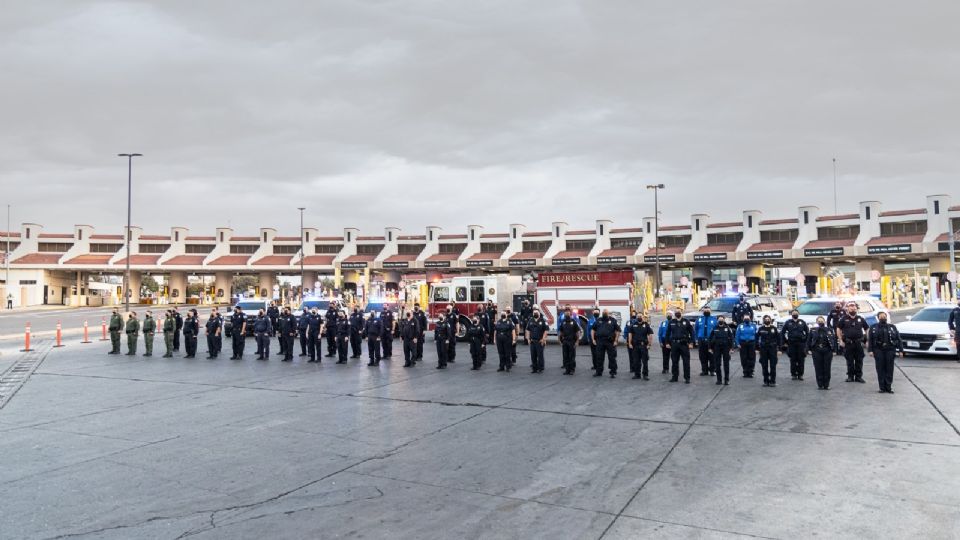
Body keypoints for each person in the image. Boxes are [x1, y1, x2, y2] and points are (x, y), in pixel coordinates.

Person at [868, 312, 904, 393]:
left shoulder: (892, 327)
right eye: (881, 317)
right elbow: (870, 339)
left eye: (884, 316)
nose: (883, 318)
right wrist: (870, 350)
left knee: (889, 369)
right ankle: (882, 387)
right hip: (878, 350)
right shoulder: (873, 327)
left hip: (890, 350)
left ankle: (888, 387)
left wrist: (901, 350)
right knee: (880, 369)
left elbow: (898, 339)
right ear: (878, 318)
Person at [836, 303, 869, 383]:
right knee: (849, 361)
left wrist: (867, 340)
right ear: (848, 310)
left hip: (858, 343)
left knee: (859, 360)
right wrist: (840, 340)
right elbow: (838, 329)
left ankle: (858, 377)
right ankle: (850, 376)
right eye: (851, 309)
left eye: (854, 309)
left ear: (856, 309)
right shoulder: (844, 319)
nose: (853, 310)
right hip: (848, 343)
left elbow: (867, 328)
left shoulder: (860, 319)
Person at [807, 316, 837, 390]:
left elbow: (834, 340)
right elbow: (808, 340)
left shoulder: (829, 330)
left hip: (827, 350)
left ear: (825, 322)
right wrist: (808, 349)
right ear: (817, 322)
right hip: (816, 350)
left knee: (827, 368)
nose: (821, 322)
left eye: (822, 321)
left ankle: (826, 385)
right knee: (818, 368)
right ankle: (820, 385)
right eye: (819, 321)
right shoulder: (813, 330)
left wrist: (835, 350)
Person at [665, 310, 694, 383]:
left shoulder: (686, 321)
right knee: (674, 361)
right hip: (674, 344)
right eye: (676, 312)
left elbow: (692, 332)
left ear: (681, 313)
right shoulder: (671, 322)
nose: (677, 313)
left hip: (684, 344)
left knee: (686, 362)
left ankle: (687, 378)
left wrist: (691, 343)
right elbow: (667, 333)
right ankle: (674, 377)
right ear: (675, 314)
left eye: (679, 312)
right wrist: (667, 343)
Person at [780, 309, 809, 381]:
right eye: (793, 313)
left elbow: (807, 332)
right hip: (791, 343)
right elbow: (782, 333)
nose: (795, 314)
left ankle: (800, 374)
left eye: (796, 313)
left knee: (801, 359)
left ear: (798, 314)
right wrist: (785, 342)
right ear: (791, 314)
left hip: (801, 343)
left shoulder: (802, 322)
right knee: (793, 359)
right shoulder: (788, 322)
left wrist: (805, 341)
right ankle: (793, 374)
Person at [591, 309, 620, 378]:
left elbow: (618, 330)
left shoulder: (613, 320)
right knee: (599, 357)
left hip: (610, 342)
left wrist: (616, 340)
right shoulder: (598, 320)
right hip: (600, 341)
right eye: (603, 312)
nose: (604, 313)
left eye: (606, 312)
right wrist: (593, 339)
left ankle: (613, 372)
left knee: (612, 357)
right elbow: (593, 329)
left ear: (608, 313)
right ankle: (599, 372)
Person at [708, 315, 735, 385]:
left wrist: (732, 348)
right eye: (719, 319)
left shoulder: (728, 328)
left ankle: (726, 380)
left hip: (726, 348)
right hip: (717, 348)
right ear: (717, 320)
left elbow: (732, 338)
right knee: (717, 364)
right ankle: (719, 380)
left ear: (724, 320)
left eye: (722, 319)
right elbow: (710, 338)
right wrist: (710, 348)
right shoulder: (714, 328)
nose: (720, 321)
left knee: (726, 364)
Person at [627, 313, 653, 380]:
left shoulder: (646, 325)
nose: (639, 317)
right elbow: (630, 334)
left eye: (640, 316)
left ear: (643, 317)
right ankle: (637, 374)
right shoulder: (633, 325)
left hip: (643, 345)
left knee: (645, 361)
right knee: (636, 361)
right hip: (635, 346)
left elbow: (650, 335)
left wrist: (649, 344)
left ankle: (645, 375)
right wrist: (629, 343)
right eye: (638, 316)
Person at [757, 315, 780, 387]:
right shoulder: (761, 328)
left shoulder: (774, 328)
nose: (767, 320)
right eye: (765, 319)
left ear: (770, 320)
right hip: (763, 349)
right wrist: (756, 348)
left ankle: (773, 381)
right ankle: (766, 381)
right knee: (764, 365)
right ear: (763, 320)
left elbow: (779, 339)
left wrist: (779, 349)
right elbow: (756, 338)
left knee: (773, 365)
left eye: (768, 319)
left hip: (772, 349)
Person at [558, 306, 581, 375]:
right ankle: (567, 370)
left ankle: (572, 370)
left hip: (572, 341)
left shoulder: (574, 322)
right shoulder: (563, 322)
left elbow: (577, 332)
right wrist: (559, 340)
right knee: (566, 356)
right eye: (566, 312)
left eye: (568, 312)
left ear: (570, 314)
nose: (567, 313)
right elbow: (561, 332)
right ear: (564, 314)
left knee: (572, 356)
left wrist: (577, 341)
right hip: (565, 341)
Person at [695, 307, 718, 376]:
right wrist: (696, 339)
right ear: (703, 311)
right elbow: (696, 330)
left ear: (710, 311)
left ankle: (712, 370)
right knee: (702, 356)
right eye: (705, 310)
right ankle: (704, 370)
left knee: (712, 356)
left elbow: (716, 330)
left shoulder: (714, 319)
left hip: (710, 340)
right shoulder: (699, 319)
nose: (706, 311)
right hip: (701, 340)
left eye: (708, 310)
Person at [525, 308, 549, 373]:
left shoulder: (543, 320)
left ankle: (540, 368)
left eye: (536, 312)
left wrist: (543, 339)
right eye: (534, 313)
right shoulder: (530, 320)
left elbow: (546, 330)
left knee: (540, 355)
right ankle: (534, 368)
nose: (535, 313)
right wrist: (528, 339)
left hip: (540, 341)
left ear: (539, 313)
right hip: (532, 341)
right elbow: (527, 330)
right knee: (533, 355)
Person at [949, 299, 960, 363]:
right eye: (959, 300)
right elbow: (950, 320)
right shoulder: (955, 310)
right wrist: (951, 328)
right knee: (958, 344)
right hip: (958, 331)